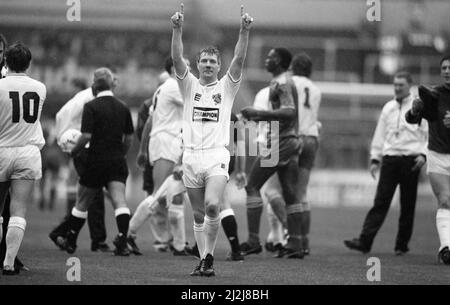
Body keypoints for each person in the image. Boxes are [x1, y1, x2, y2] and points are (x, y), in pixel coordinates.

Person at [171, 4, 252, 276]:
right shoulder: (188, 85)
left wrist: (244, 30)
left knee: (212, 206)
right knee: (197, 215)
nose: (207, 64)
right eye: (203, 61)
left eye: (213, 62)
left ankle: (209, 258)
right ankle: (204, 260)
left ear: (219, 66)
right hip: (191, 156)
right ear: (197, 64)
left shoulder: (226, 88)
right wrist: (177, 29)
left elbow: (239, 60)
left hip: (217, 155)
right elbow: (175, 58)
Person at [344, 71, 428, 255]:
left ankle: (401, 245)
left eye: (401, 85)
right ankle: (364, 242)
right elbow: (380, 134)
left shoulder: (419, 107)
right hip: (390, 160)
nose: (397, 88)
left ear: (409, 86)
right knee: (380, 202)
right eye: (395, 85)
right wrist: (375, 158)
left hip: (411, 160)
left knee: (408, 206)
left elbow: (428, 135)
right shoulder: (388, 107)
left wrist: (423, 154)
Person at [56, 67, 134, 256]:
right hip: (117, 160)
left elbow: (86, 136)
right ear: (110, 85)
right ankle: (122, 240)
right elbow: (129, 138)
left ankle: (71, 239)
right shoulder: (123, 107)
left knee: (83, 201)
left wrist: (74, 151)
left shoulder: (91, 107)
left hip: (96, 160)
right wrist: (120, 153)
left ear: (94, 87)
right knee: (119, 200)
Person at [239, 47, 304, 259]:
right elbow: (285, 115)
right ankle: (295, 244)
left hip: (277, 144)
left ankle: (252, 241)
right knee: (290, 194)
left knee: (252, 185)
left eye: (271, 57)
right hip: (290, 141)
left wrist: (258, 112)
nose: (267, 60)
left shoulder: (282, 82)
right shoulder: (286, 80)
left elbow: (289, 112)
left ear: (281, 62)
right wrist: (257, 118)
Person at [262, 53, 322, 255]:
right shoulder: (316, 89)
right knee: (301, 194)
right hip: (311, 140)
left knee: (272, 191)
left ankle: (291, 233)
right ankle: (303, 242)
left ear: (291, 67)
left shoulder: (284, 83)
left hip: (290, 139)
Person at [129, 56, 190, 255]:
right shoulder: (173, 86)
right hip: (166, 142)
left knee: (174, 193)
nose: (190, 69)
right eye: (186, 65)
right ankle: (126, 234)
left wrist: (142, 150)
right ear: (174, 68)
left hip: (167, 142)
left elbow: (149, 122)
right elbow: (197, 106)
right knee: (159, 195)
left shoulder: (166, 87)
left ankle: (179, 245)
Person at [49, 74, 111, 253]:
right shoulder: (86, 99)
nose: (114, 85)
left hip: (82, 149)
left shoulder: (83, 98)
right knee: (92, 194)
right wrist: (67, 141)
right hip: (84, 149)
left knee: (87, 195)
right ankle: (95, 240)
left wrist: (64, 139)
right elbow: (64, 117)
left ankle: (66, 234)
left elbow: (61, 115)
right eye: (112, 82)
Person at [0, 42, 47, 274]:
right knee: (18, 210)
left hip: (2, 149)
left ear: (6, 62)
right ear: (29, 64)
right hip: (28, 152)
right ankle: (8, 263)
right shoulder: (40, 88)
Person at [405, 55, 450, 264]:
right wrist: (414, 110)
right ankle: (446, 248)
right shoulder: (434, 94)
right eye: (444, 67)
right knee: (445, 200)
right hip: (438, 155)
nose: (447, 71)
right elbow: (412, 118)